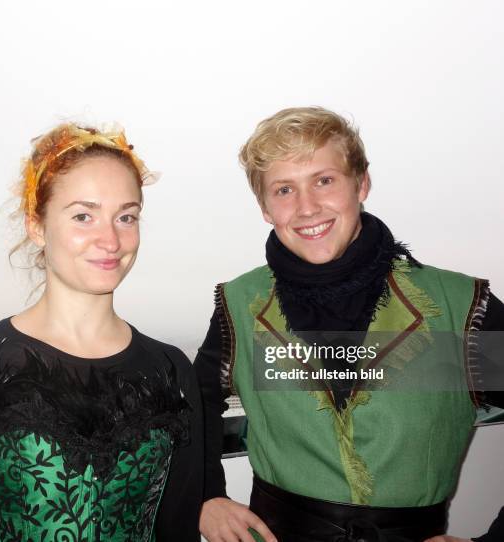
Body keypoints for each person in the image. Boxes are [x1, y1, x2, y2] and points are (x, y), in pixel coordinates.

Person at [195, 107, 504, 542]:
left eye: (324, 180)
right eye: (284, 189)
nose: (307, 207)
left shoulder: (457, 305)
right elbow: (193, 408)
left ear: (361, 184)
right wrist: (206, 495)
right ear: (265, 208)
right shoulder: (239, 305)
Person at [0, 122, 203, 541]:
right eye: (83, 216)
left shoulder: (171, 370)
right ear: (36, 226)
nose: (110, 239)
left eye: (126, 216)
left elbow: (178, 529)